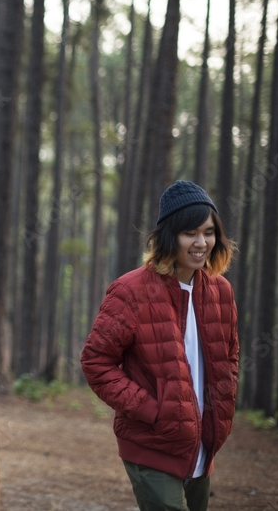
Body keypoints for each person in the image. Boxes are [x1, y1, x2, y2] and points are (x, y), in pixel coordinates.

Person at [81, 180, 239, 511]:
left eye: (208, 233)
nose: (201, 242)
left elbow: (231, 355)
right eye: (190, 233)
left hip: (202, 445)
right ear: (169, 236)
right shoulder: (130, 291)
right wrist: (152, 411)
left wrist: (222, 406)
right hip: (151, 443)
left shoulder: (221, 292)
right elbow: (97, 361)